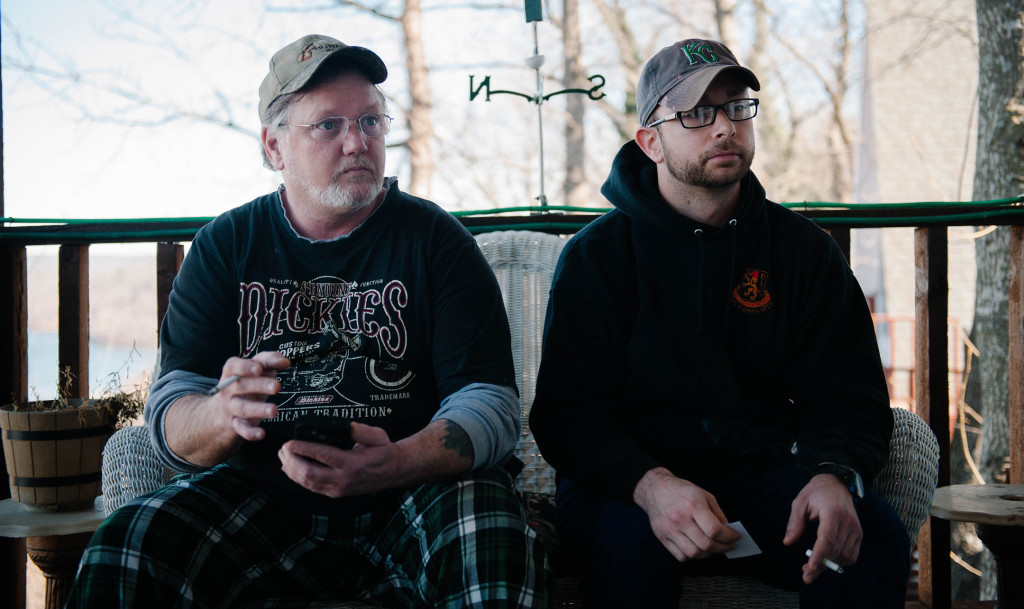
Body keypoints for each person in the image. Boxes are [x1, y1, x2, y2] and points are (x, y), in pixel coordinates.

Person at [67, 34, 548, 608]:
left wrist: (394, 462)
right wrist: (221, 413)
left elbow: (490, 404)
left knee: (490, 531)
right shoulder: (226, 246)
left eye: (371, 121)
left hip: (414, 492)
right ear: (275, 147)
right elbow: (171, 420)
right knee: (125, 546)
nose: (357, 142)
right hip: (262, 500)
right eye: (329, 125)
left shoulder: (435, 241)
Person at [529, 39, 909, 609]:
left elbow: (849, 395)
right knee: (628, 556)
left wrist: (833, 475)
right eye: (696, 113)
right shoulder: (596, 258)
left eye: (736, 106)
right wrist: (651, 486)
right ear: (650, 141)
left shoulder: (802, 252)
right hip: (626, 484)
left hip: (761, 475)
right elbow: (566, 415)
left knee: (871, 537)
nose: (724, 127)